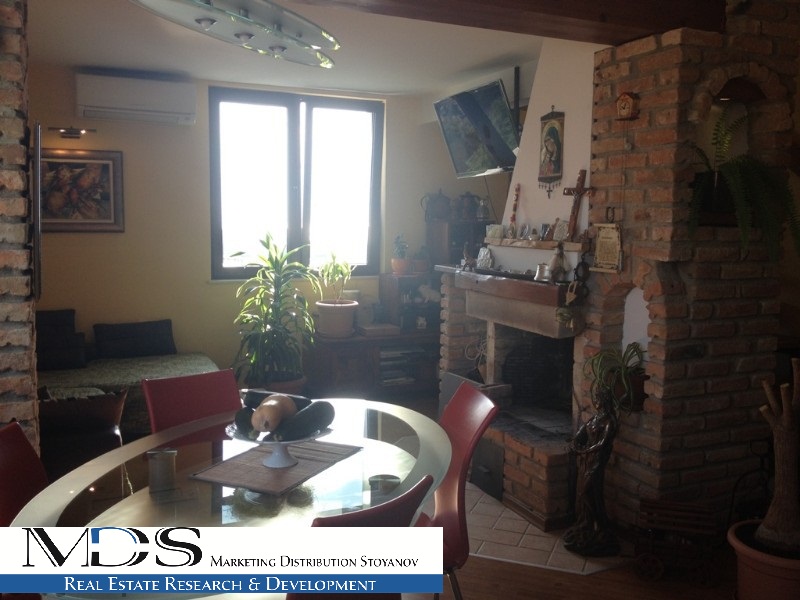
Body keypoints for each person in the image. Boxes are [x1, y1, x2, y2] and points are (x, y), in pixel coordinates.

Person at [562, 388, 621, 557]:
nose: (596, 402)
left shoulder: (609, 421)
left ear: (605, 401)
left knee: (587, 492)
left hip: (596, 462)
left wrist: (584, 450)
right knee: (583, 492)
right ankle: (586, 523)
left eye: (598, 399)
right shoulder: (595, 418)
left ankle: (599, 526)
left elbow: (603, 443)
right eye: (595, 399)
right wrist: (575, 443)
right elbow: (582, 433)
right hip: (586, 461)